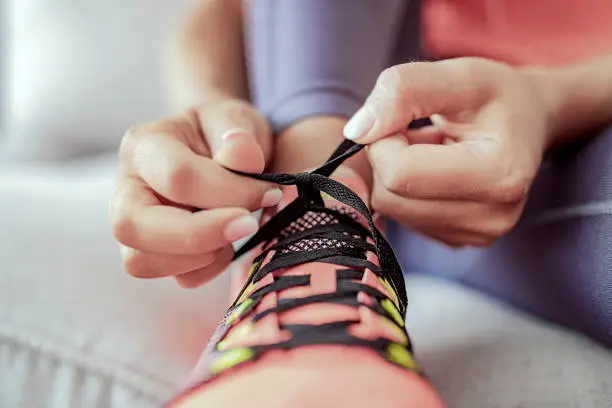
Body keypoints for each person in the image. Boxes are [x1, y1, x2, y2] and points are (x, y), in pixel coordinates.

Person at [109, 0, 612, 365]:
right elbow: (226, 13)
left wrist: (552, 101)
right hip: (362, 81)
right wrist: (212, 119)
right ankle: (312, 237)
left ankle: (320, 237)